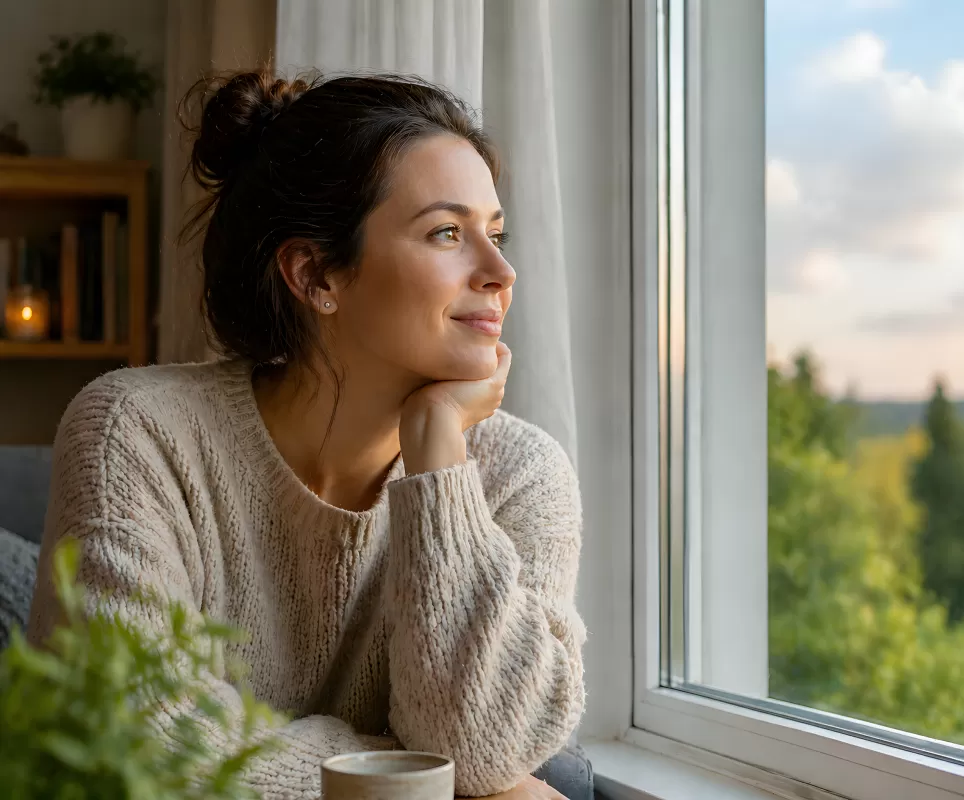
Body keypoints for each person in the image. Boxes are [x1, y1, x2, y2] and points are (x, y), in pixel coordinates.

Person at [26, 71, 589, 799]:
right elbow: (137, 747)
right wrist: (410, 774)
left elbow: (487, 748)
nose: (501, 272)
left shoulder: (522, 473)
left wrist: (437, 451)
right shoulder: (136, 432)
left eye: (496, 234)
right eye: (448, 233)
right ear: (316, 272)